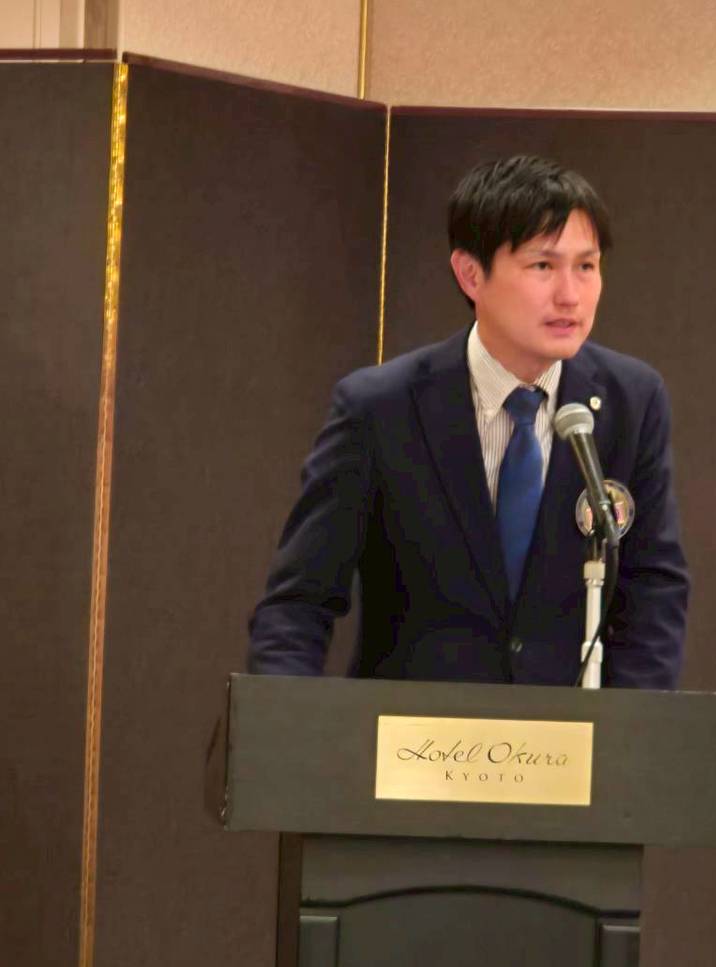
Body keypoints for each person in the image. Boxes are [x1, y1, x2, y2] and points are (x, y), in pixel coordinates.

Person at [248, 155, 688, 688]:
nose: (570, 295)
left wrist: (630, 730)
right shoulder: (380, 408)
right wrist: (286, 724)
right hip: (411, 733)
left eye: (587, 266)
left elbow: (654, 592)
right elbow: (299, 602)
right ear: (470, 273)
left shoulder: (630, 401)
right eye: (542, 266)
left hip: (568, 733)